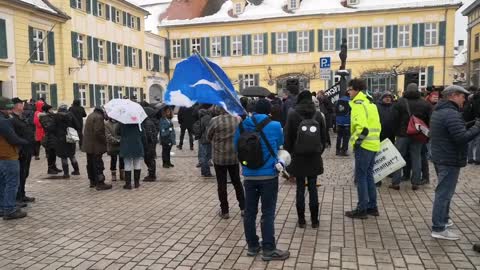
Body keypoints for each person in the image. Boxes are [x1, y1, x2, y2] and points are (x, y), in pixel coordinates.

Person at [234, 98, 289, 261]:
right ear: (269, 111)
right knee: (268, 212)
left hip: (249, 175)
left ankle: (252, 246)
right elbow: (280, 144)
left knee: (250, 212)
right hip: (269, 176)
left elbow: (235, 145)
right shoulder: (275, 125)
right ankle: (268, 249)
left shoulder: (242, 125)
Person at [430, 85, 480, 240]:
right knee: (444, 193)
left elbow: (453, 131)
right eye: (462, 96)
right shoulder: (451, 113)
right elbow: (461, 138)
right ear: (453, 96)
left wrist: (469, 125)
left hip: (442, 156)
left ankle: (443, 220)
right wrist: (478, 126)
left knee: (444, 192)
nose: (464, 99)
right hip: (448, 158)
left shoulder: (440, 110)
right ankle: (438, 227)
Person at [284, 91, 328, 228]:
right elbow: (324, 138)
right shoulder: (318, 115)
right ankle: (315, 221)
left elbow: (288, 138)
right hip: (314, 157)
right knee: (313, 188)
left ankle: (301, 220)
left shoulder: (292, 114)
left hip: (298, 157)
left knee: (300, 188)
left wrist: (291, 154)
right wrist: (317, 152)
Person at [344, 78, 382, 219]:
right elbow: (377, 125)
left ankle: (362, 209)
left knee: (361, 177)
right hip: (373, 144)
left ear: (356, 90)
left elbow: (363, 129)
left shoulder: (358, 104)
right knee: (369, 176)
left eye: (350, 89)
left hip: (364, 145)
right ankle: (372, 207)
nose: (348, 92)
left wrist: (356, 143)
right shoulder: (370, 103)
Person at [389, 83, 432, 191]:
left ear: (406, 90)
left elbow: (393, 119)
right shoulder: (425, 103)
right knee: (416, 157)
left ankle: (396, 182)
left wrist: (395, 132)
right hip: (418, 135)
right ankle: (416, 182)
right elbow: (429, 120)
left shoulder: (400, 102)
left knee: (398, 157)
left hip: (402, 134)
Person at [207, 106, 245, 219]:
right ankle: (243, 207)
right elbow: (242, 134)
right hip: (234, 156)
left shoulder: (214, 121)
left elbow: (208, 136)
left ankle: (225, 211)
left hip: (219, 158)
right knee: (237, 182)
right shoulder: (237, 119)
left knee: (222, 184)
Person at [0, 97, 29, 220]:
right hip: (9, 156)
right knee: (12, 183)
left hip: (1, 157)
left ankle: (3, 207)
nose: (10, 111)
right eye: (9, 108)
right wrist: (26, 141)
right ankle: (9, 210)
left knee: (2, 183)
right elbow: (13, 139)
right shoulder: (4, 121)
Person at [10, 98, 36, 203]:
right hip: (20, 151)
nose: (23, 105)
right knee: (19, 174)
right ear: (15, 105)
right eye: (20, 103)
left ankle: (22, 194)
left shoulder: (21, 117)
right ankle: (17, 197)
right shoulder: (12, 119)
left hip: (27, 150)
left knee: (24, 173)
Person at [82, 107, 112, 190]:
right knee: (98, 164)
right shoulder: (99, 117)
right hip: (96, 145)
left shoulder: (91, 115)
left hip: (89, 145)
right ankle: (100, 182)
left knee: (90, 163)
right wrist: (105, 140)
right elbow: (98, 132)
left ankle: (92, 181)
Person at [54, 104, 81, 178]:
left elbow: (53, 128)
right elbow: (78, 125)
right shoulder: (71, 115)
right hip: (71, 135)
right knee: (72, 155)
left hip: (60, 138)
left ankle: (66, 173)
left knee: (63, 156)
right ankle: (76, 170)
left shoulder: (56, 116)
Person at [120, 124, 145, 189]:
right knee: (137, 163)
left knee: (127, 164)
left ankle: (128, 184)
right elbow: (143, 134)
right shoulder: (139, 122)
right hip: (137, 143)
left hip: (126, 144)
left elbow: (118, 132)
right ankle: (137, 183)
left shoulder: (123, 122)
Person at [39, 104, 61, 175]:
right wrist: (55, 122)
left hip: (53, 137)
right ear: (48, 110)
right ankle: (50, 168)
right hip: (49, 138)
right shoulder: (44, 117)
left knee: (53, 153)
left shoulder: (50, 116)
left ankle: (54, 167)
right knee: (50, 154)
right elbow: (49, 127)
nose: (52, 110)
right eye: (51, 109)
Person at [464, 86, 480, 164]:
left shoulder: (471, 99)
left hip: (470, 121)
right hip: (478, 121)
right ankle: (478, 159)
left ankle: (470, 158)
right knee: (478, 141)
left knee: (470, 141)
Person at [142, 107, 159, 182]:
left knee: (149, 159)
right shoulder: (149, 121)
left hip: (149, 145)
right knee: (150, 159)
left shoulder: (147, 123)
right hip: (151, 144)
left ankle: (151, 175)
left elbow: (148, 135)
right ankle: (151, 173)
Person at [197, 105, 214, 177]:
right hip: (206, 139)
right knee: (206, 156)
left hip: (202, 139)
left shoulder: (201, 117)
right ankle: (206, 172)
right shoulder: (207, 118)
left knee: (204, 155)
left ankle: (204, 171)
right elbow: (208, 130)